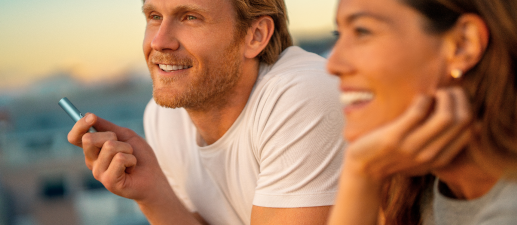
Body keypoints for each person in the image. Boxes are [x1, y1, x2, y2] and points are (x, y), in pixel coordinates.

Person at [67, 0, 346, 224]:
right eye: (154, 16)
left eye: (190, 17)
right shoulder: (163, 116)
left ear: (255, 35)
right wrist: (152, 193)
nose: (159, 41)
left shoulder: (299, 96)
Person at [326, 0, 517, 224]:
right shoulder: (414, 184)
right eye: (339, 35)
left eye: (362, 31)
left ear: (462, 44)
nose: (333, 64)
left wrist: (362, 175)